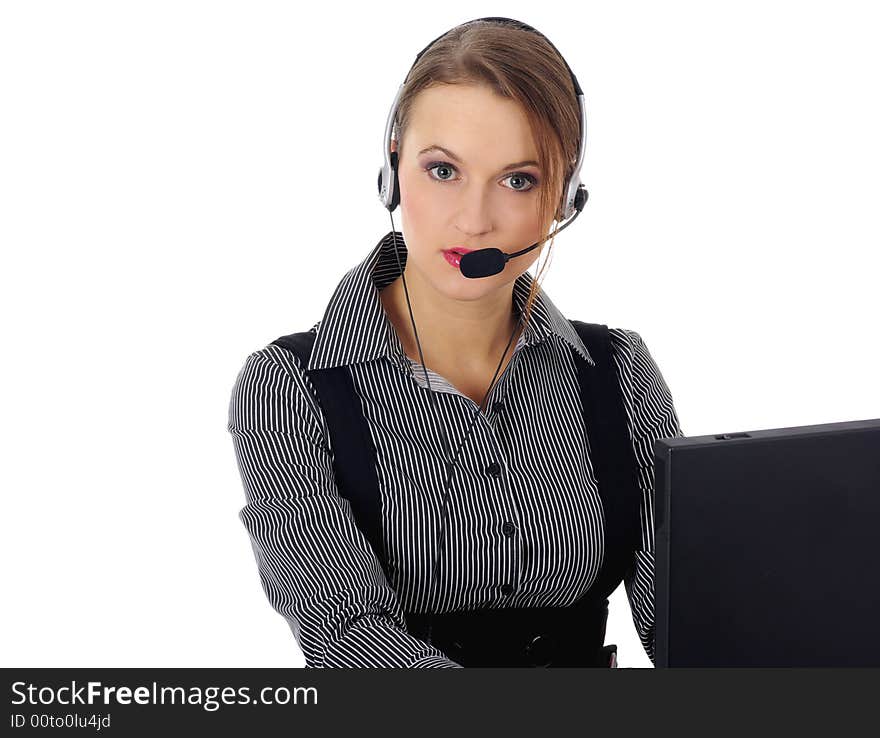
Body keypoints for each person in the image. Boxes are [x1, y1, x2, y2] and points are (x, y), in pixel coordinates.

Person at [227, 17, 684, 668]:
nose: (474, 221)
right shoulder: (290, 387)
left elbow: (688, 621)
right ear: (392, 168)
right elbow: (345, 630)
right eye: (443, 170)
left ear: (565, 199)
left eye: (518, 179)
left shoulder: (619, 374)